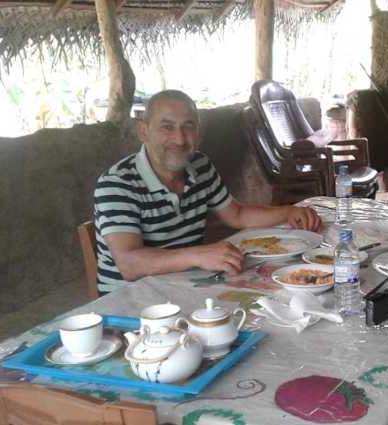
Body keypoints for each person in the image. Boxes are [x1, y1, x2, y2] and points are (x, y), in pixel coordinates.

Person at [94, 89, 321, 292]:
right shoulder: (117, 183)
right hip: (129, 303)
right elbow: (130, 265)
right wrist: (197, 255)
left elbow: (237, 214)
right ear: (143, 131)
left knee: (284, 292)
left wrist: (288, 212)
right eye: (167, 127)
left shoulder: (200, 166)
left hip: (183, 285)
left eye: (188, 126)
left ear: (198, 132)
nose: (179, 139)